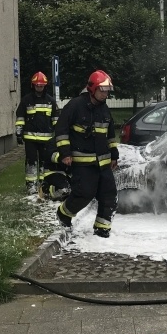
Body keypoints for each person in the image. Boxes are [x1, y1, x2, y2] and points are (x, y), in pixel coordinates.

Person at [54, 70, 119, 237]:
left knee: (109, 195)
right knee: (84, 194)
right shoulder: (75, 106)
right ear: (92, 89)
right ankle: (64, 213)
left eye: (107, 91)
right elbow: (61, 130)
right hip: (83, 163)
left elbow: (110, 135)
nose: (105, 94)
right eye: (102, 90)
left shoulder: (104, 110)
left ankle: (102, 228)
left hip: (103, 163)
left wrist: (114, 154)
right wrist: (65, 153)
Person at [15, 71, 68, 197]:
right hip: (30, 139)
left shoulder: (50, 101)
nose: (40, 87)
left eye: (42, 85)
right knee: (31, 161)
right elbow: (20, 116)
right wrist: (18, 132)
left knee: (46, 162)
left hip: (47, 140)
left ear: (45, 86)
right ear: (33, 85)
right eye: (37, 85)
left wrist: (59, 134)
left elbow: (56, 119)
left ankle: (44, 183)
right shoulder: (26, 100)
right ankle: (31, 185)